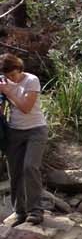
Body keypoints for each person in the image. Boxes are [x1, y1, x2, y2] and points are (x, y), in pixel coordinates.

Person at [0, 53, 48, 225]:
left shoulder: (31, 80)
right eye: (7, 76)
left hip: (36, 130)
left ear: (19, 68)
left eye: (13, 74)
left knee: (30, 167)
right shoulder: (3, 81)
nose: (11, 78)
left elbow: (26, 107)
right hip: (14, 131)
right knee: (14, 172)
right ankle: (19, 211)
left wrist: (8, 91)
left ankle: (36, 210)